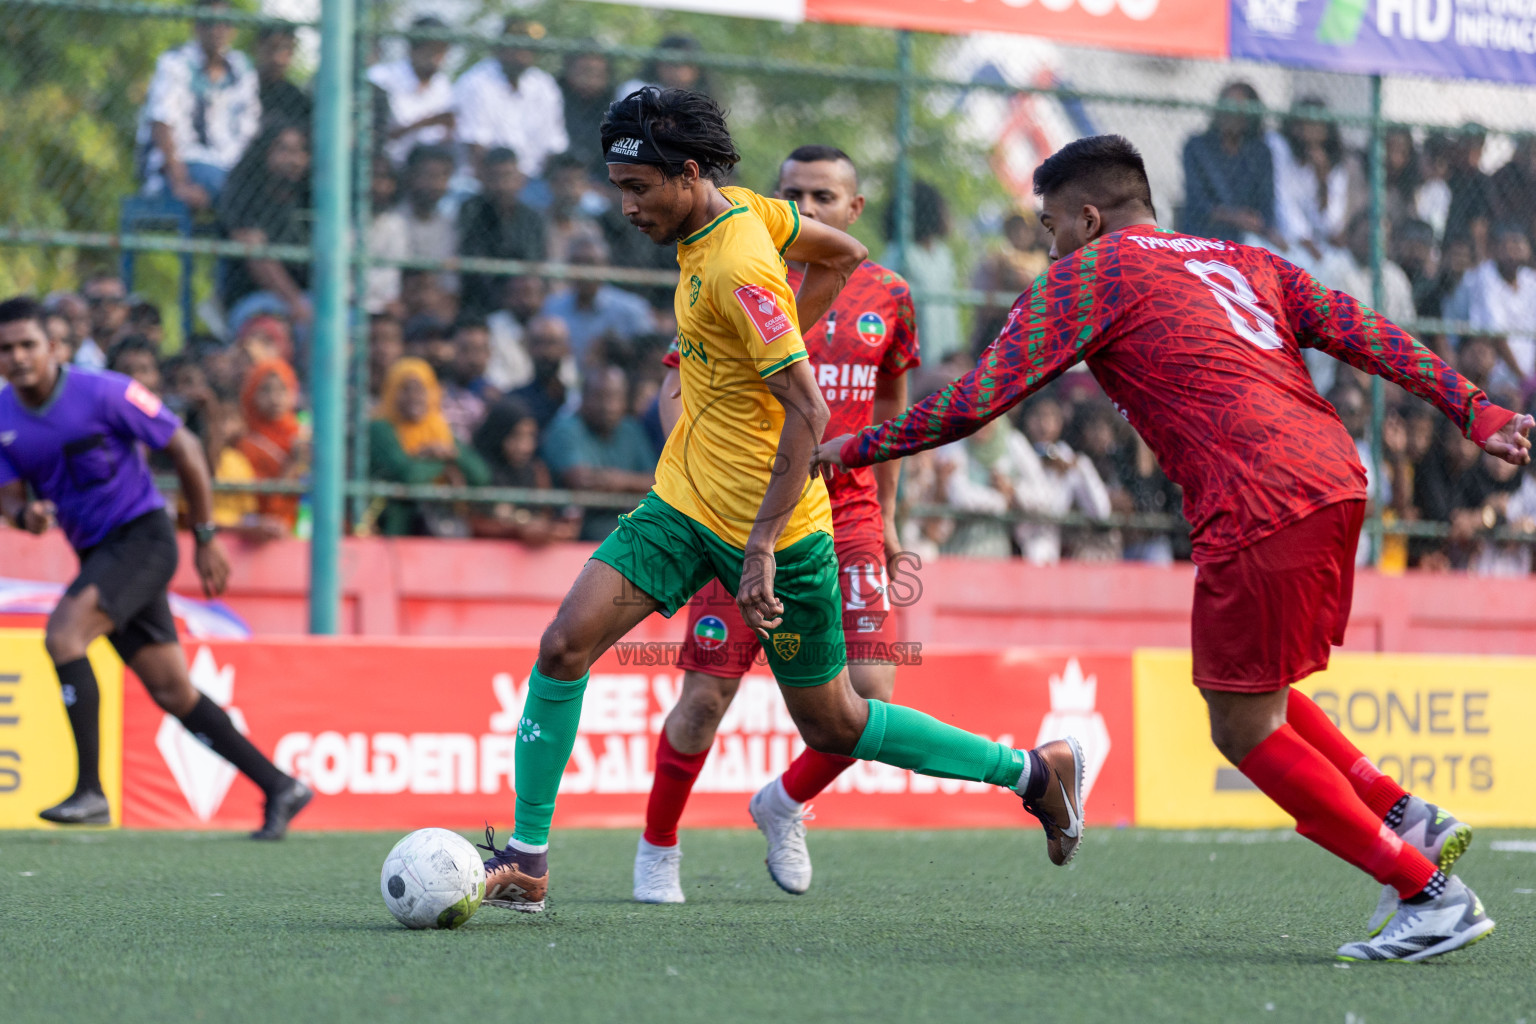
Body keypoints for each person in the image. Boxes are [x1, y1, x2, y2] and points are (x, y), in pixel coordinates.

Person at [816, 134, 1532, 962]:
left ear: (1087, 217)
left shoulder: (1092, 273)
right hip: (1333, 476)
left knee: (1240, 728)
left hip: (1258, 495)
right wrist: (1475, 409)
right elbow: (1366, 331)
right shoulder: (1241, 258)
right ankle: (1401, 814)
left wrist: (857, 446)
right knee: (1244, 689)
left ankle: (1426, 892)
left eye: (1050, 226)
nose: (1048, 245)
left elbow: (979, 398)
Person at [474, 87, 1086, 915]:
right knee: (563, 646)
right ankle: (528, 860)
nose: (626, 206)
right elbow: (847, 252)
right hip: (683, 507)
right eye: (618, 187)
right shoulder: (748, 214)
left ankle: (1034, 772)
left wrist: (762, 543)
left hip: (780, 532)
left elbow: (811, 409)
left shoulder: (738, 265)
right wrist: (790, 328)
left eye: (638, 188)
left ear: (687, 175)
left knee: (835, 722)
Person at [634, 142, 922, 902]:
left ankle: (784, 801)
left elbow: (893, 404)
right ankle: (658, 846)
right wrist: (693, 466)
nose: (807, 210)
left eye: (824, 197)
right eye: (793, 195)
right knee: (704, 700)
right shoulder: (740, 267)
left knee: (873, 697)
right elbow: (675, 382)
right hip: (738, 509)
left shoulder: (889, 294)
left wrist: (890, 515)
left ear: (854, 211)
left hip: (846, 512)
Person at [0, 296, 312, 836]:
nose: (18, 357)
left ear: (53, 347)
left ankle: (90, 791)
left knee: (64, 637)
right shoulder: (4, 416)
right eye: (6, 349)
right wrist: (24, 514)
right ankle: (280, 786)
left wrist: (206, 535)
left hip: (144, 539)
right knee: (173, 691)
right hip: (100, 555)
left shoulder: (105, 391)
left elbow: (186, 448)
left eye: (28, 344)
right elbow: (8, 498)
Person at [134, 0, 260, 210]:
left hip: (231, 166)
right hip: (182, 167)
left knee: (259, 189)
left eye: (224, 23)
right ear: (196, 26)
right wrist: (181, 184)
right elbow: (162, 123)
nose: (217, 30)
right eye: (209, 23)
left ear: (233, 28)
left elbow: (251, 127)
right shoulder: (175, 62)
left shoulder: (242, 69)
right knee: (232, 190)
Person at [367, 358, 490, 537]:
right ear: (391, 390)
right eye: (405, 389)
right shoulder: (380, 428)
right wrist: (441, 458)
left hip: (439, 528)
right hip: (393, 529)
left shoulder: (438, 429)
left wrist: (447, 454)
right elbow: (409, 476)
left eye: (420, 389)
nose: (414, 396)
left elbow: (481, 476)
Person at [539, 363, 656, 541]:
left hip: (627, 525)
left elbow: (657, 481)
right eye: (599, 397)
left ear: (625, 400)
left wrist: (621, 481)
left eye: (615, 397)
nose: (607, 406)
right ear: (583, 398)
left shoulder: (631, 429)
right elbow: (581, 480)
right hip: (579, 529)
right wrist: (633, 482)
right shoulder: (565, 428)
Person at [217, 122, 312, 336]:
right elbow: (257, 256)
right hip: (257, 297)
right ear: (265, 152)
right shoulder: (244, 188)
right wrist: (295, 302)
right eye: (284, 150)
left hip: (309, 295)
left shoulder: (310, 191)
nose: (294, 160)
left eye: (300, 151)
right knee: (273, 330)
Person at [452, 17, 567, 181]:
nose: (522, 53)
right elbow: (476, 148)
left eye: (529, 47)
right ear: (500, 47)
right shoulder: (476, 82)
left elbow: (553, 146)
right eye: (516, 46)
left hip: (534, 180)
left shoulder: (544, 84)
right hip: (484, 180)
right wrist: (507, 183)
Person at [468, 398, 581, 543]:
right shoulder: (477, 470)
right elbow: (471, 521)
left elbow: (544, 517)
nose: (525, 446)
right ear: (498, 433)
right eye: (515, 436)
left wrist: (555, 530)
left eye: (530, 436)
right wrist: (516, 529)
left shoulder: (537, 471)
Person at [1180, 81, 1275, 244]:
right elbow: (1198, 202)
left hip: (1249, 235)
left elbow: (1266, 202)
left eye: (1240, 109)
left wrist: (1258, 223)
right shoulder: (1197, 147)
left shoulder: (1259, 152)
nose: (1232, 115)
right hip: (1205, 232)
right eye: (1228, 107)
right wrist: (1234, 217)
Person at [457, 148, 547, 317]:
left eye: (507, 177)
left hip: (524, 302)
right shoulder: (471, 211)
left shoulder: (532, 217)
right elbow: (474, 263)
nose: (501, 185)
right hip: (480, 302)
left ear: (520, 179)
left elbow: (534, 261)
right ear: (483, 180)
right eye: (494, 177)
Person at [540, 236, 656, 365]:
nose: (583, 271)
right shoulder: (552, 307)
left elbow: (649, 357)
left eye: (590, 263)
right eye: (576, 262)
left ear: (605, 266)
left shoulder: (632, 309)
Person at [367, 16, 455, 168]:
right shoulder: (381, 77)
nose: (437, 57)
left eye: (442, 50)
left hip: (425, 171)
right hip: (385, 167)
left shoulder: (443, 84)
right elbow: (377, 136)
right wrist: (424, 123)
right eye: (431, 49)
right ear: (413, 48)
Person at [237, 359, 306, 533]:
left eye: (282, 389)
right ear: (251, 393)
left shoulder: (303, 434)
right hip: (263, 528)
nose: (275, 398)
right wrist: (293, 464)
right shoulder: (245, 442)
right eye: (265, 390)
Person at [1465, 225, 1536, 393]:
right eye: (1506, 245)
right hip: (1496, 373)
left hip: (1529, 370)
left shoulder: (1530, 279)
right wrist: (1524, 379)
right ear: (1495, 249)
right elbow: (1497, 335)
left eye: (1517, 243)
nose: (1512, 250)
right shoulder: (1485, 275)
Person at [397, 144, 458, 296]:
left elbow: (449, 282)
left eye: (443, 176)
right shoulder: (393, 220)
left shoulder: (448, 226)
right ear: (410, 176)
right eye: (429, 175)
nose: (435, 184)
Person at [440, 317, 500, 441]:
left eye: (480, 350)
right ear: (449, 350)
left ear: (489, 353)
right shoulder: (435, 393)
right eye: (465, 350)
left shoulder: (496, 398)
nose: (474, 359)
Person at [509, 314, 574, 428]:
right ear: (527, 347)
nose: (545, 352)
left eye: (552, 343)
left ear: (566, 348)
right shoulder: (515, 400)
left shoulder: (578, 396)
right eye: (538, 343)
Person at [560, 48, 615, 179]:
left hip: (601, 173)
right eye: (584, 71)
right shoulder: (557, 93)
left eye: (598, 74)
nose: (590, 80)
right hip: (563, 170)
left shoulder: (612, 101)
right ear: (569, 70)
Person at [254, 25, 311, 129]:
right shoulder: (242, 88)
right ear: (259, 47)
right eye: (272, 48)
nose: (277, 58)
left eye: (285, 49)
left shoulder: (297, 99)